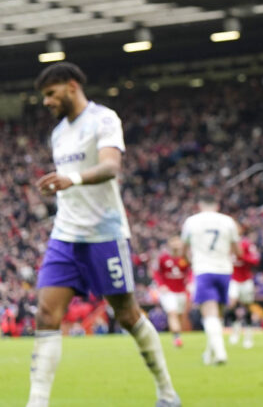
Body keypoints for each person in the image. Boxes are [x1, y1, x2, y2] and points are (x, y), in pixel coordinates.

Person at [27, 62, 180, 407]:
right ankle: (37, 402)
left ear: (71, 86)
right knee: (46, 314)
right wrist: (59, 186)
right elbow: (69, 180)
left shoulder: (104, 119)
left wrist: (73, 179)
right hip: (65, 235)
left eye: (51, 94)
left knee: (127, 315)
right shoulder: (58, 133)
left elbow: (111, 166)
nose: (46, 102)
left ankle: (167, 392)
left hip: (104, 235)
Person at [181, 192, 241, 366]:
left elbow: (183, 250)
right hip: (224, 270)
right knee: (217, 315)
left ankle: (220, 353)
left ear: (200, 205)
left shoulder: (191, 221)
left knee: (209, 314)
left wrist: (191, 260)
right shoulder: (228, 221)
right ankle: (209, 353)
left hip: (203, 270)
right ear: (217, 206)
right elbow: (238, 251)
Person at [153, 237, 191, 348]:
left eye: (178, 242)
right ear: (170, 244)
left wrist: (189, 282)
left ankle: (177, 336)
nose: (176, 244)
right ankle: (177, 338)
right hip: (168, 292)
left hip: (181, 291)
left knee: (179, 315)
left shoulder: (185, 258)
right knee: (172, 313)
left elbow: (190, 271)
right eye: (174, 242)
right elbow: (156, 272)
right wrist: (161, 285)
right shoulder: (163, 258)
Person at [227, 232, 261, 348]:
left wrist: (242, 256)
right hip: (232, 280)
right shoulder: (227, 243)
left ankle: (248, 334)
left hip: (246, 280)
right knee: (232, 304)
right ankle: (235, 330)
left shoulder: (246, 244)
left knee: (247, 307)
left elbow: (255, 261)